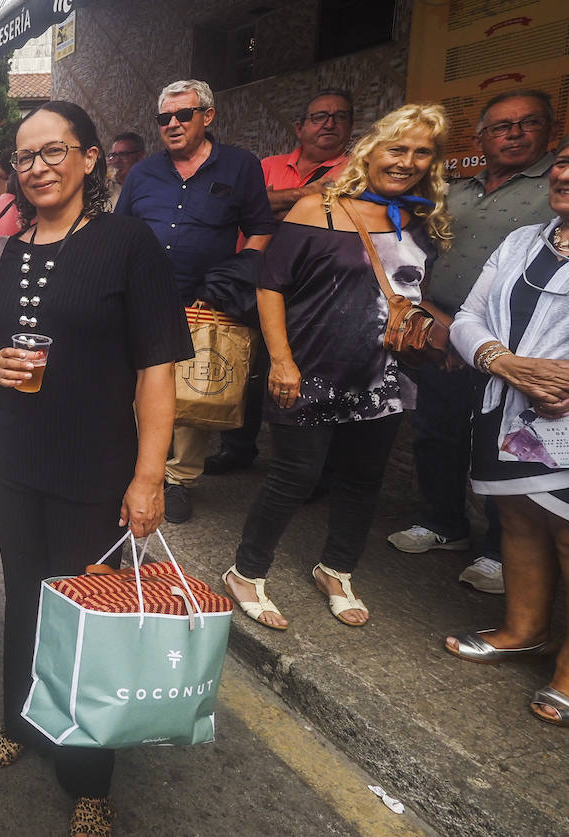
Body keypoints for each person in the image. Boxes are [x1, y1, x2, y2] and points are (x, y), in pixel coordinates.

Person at [0, 101, 190, 837]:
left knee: (85, 613)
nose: (38, 168)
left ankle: (88, 773)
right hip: (15, 458)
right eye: (24, 157)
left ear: (90, 158)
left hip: (96, 464)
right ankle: (21, 721)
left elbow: (158, 368)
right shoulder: (4, 247)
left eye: (54, 151)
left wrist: (149, 475)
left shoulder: (128, 243)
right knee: (25, 592)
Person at [220, 103, 452, 630]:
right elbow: (270, 285)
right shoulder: (318, 210)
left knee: (362, 477)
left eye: (421, 152)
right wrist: (281, 359)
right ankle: (247, 572)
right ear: (371, 152)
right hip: (310, 367)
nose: (407, 162)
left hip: (384, 375)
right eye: (397, 149)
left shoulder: (419, 221)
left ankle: (337, 569)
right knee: (294, 476)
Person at [388, 89, 560, 595]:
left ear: (548, 130)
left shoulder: (553, 188)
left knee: (503, 447)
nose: (514, 133)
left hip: (517, 346)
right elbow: (422, 257)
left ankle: (500, 551)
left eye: (527, 123)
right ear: (481, 137)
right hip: (443, 334)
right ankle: (444, 523)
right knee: (435, 433)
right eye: (501, 126)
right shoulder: (455, 192)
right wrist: (438, 322)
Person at [443, 135, 569, 727]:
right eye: (565, 163)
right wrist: (502, 360)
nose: (565, 175)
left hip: (562, 414)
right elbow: (468, 315)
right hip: (509, 406)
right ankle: (524, 629)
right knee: (520, 518)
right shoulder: (524, 240)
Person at [116, 78, 276, 523]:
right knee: (135, 388)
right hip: (142, 297)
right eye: (163, 118)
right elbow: (118, 232)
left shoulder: (240, 166)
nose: (172, 124)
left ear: (207, 116)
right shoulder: (144, 172)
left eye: (183, 115)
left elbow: (261, 227)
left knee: (192, 394)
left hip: (202, 301)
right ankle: (134, 471)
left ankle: (179, 480)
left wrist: (237, 274)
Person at [207, 89, 356, 476]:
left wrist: (274, 203)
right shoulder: (265, 165)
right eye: (320, 116)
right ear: (299, 127)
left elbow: (342, 214)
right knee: (246, 366)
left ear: (351, 126)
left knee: (306, 371)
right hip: (251, 281)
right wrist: (310, 196)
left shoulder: (358, 169)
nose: (329, 123)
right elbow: (241, 209)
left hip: (316, 290)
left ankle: (309, 468)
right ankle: (237, 448)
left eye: (339, 117)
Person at [104, 131, 145, 210]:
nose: (116, 161)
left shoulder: (146, 188)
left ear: (140, 156)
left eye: (123, 154)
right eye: (114, 155)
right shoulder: (107, 187)